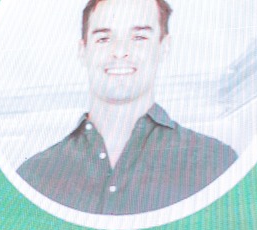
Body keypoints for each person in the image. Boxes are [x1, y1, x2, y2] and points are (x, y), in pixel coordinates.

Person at [17, 0, 237, 216]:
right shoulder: (32, 178)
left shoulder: (217, 163)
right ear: (83, 51)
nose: (120, 51)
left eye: (139, 37)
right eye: (104, 38)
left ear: (164, 47)